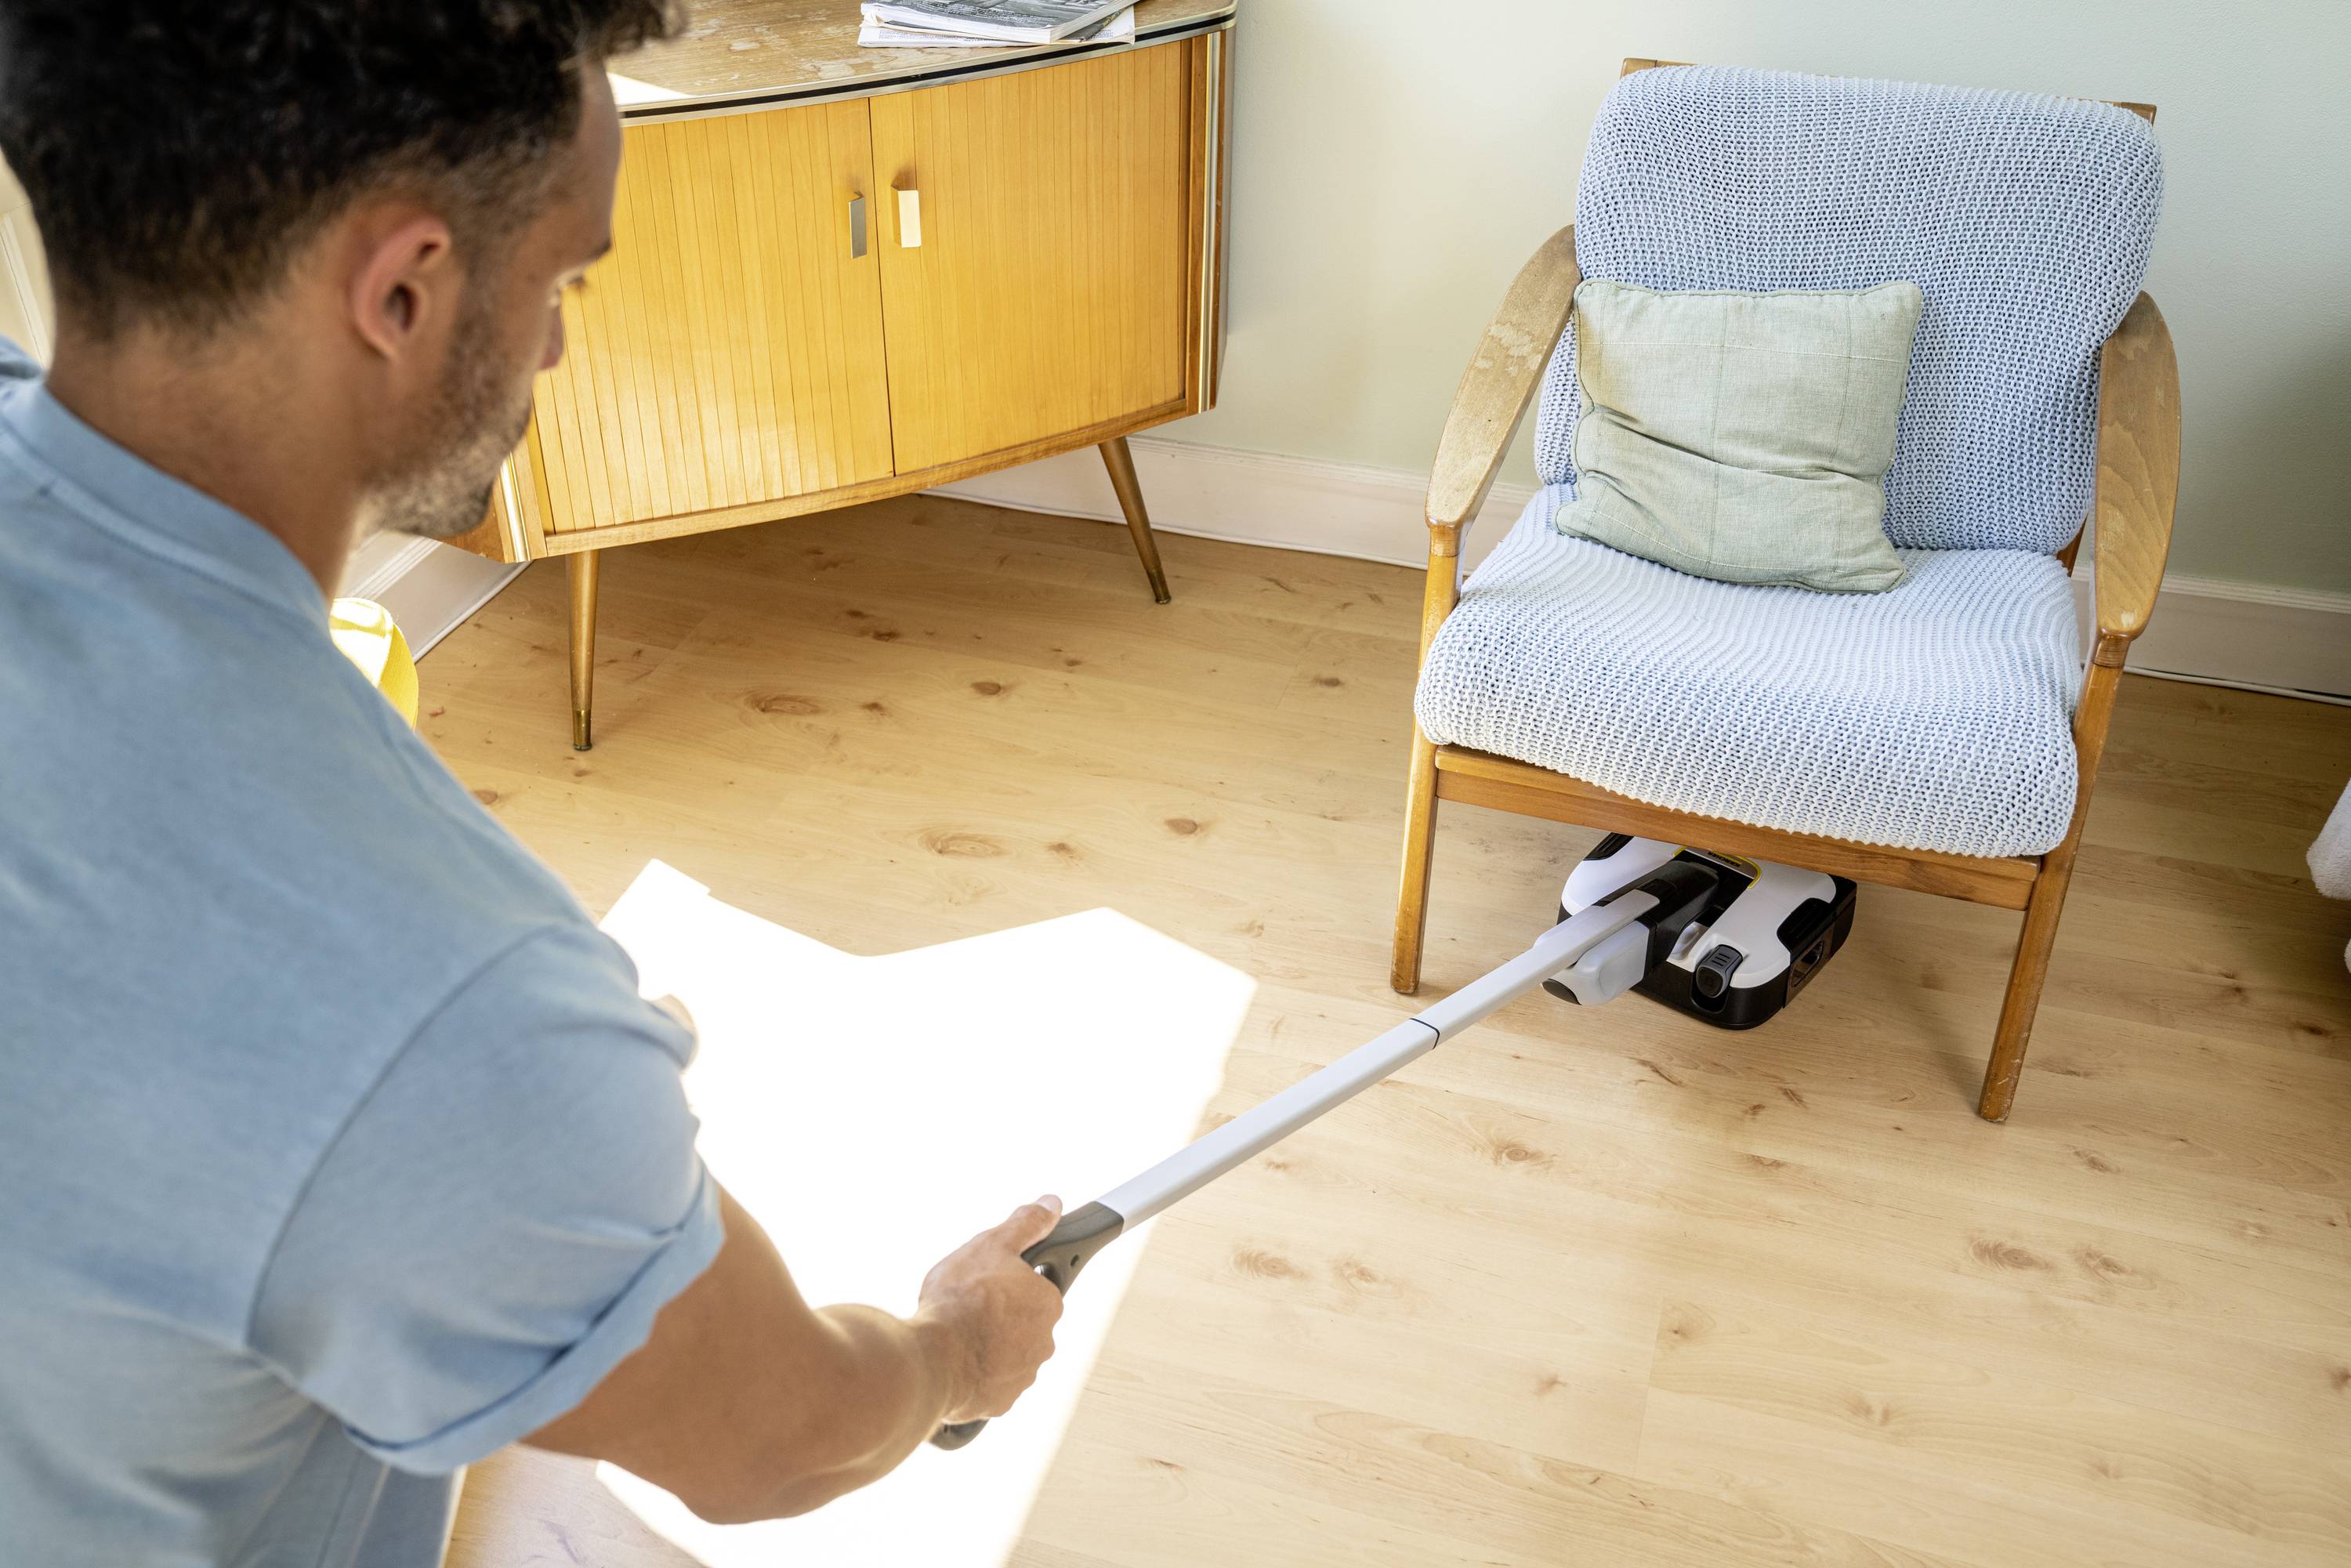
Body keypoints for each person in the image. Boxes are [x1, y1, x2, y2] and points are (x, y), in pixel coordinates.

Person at [0, 4, 1066, 1564]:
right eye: (562, 275)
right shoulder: (444, 1002)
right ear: (405, 288)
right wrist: (960, 1345)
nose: (562, 339)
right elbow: (779, 1437)